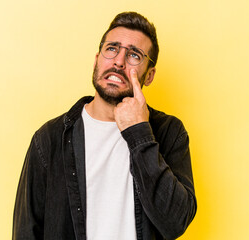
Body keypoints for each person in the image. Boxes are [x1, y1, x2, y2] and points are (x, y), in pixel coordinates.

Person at [13, 11, 197, 240]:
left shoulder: (169, 132)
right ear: (97, 60)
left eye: (134, 55)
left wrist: (139, 133)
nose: (119, 61)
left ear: (149, 76)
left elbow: (175, 223)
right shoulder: (50, 138)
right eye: (112, 49)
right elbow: (26, 231)